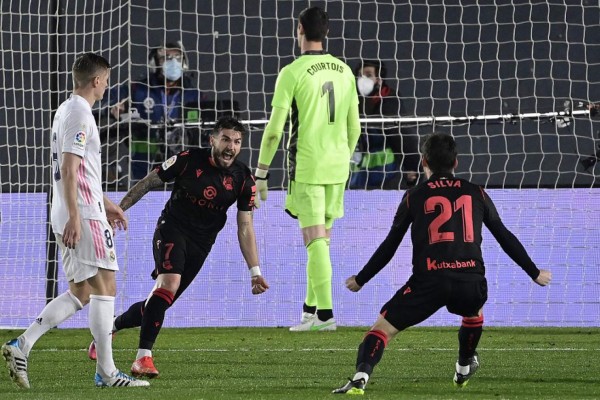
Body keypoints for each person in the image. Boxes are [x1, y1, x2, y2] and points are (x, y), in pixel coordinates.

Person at [333, 133, 552, 395]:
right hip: (470, 279)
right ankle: (463, 366)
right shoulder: (476, 192)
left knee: (382, 329)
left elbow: (390, 245)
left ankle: (360, 378)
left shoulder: (414, 196)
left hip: (429, 281)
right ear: (456, 163)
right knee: (474, 311)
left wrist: (361, 278)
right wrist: (533, 272)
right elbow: (504, 236)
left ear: (424, 162)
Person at [1, 53, 149, 388]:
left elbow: (81, 171)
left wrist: (107, 203)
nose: (107, 85)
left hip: (77, 208)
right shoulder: (82, 113)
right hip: (81, 214)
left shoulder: (65, 109)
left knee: (81, 292)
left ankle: (22, 344)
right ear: (97, 80)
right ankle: (108, 373)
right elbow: (69, 169)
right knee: (106, 285)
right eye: (107, 80)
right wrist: (77, 217)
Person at [87, 115, 269, 378]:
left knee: (160, 302)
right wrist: (117, 209)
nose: (231, 147)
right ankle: (143, 358)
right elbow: (149, 182)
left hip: (202, 244)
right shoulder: (187, 159)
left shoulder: (243, 179)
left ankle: (109, 329)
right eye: (226, 139)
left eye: (237, 142)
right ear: (212, 140)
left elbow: (245, 227)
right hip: (172, 228)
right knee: (168, 284)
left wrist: (255, 271)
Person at [253, 6, 361, 331]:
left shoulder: (293, 71)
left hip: (309, 167)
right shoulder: (345, 71)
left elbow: (274, 130)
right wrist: (342, 156)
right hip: (338, 167)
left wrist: (260, 173)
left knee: (314, 241)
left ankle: (326, 316)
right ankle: (310, 312)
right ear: (325, 32)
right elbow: (354, 127)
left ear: (298, 29)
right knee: (322, 243)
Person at [104, 41, 202, 180]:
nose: (173, 62)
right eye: (166, 57)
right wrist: (113, 106)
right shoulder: (138, 88)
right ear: (154, 62)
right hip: (143, 163)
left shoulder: (193, 94)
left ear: (184, 63)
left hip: (181, 162)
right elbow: (105, 97)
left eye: (178, 57)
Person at [348, 59, 419, 190]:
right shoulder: (352, 102)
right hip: (358, 179)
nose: (362, 79)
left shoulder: (389, 100)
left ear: (379, 79)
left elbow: (402, 135)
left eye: (368, 75)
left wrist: (412, 166)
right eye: (360, 75)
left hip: (387, 177)